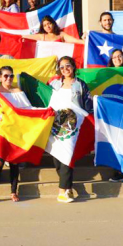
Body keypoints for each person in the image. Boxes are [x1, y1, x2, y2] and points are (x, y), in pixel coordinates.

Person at [49, 56, 93, 203]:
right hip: (55, 125)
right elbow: (45, 99)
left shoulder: (81, 85)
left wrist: (90, 120)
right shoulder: (54, 84)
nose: (65, 69)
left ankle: (61, 192)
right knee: (57, 157)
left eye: (68, 65)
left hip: (73, 126)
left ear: (73, 67)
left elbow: (88, 106)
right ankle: (67, 187)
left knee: (67, 156)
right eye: (61, 67)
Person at [0, 66, 31, 203]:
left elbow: (27, 109)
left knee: (14, 162)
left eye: (11, 76)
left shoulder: (18, 91)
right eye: (5, 76)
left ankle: (13, 192)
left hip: (14, 132)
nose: (8, 79)